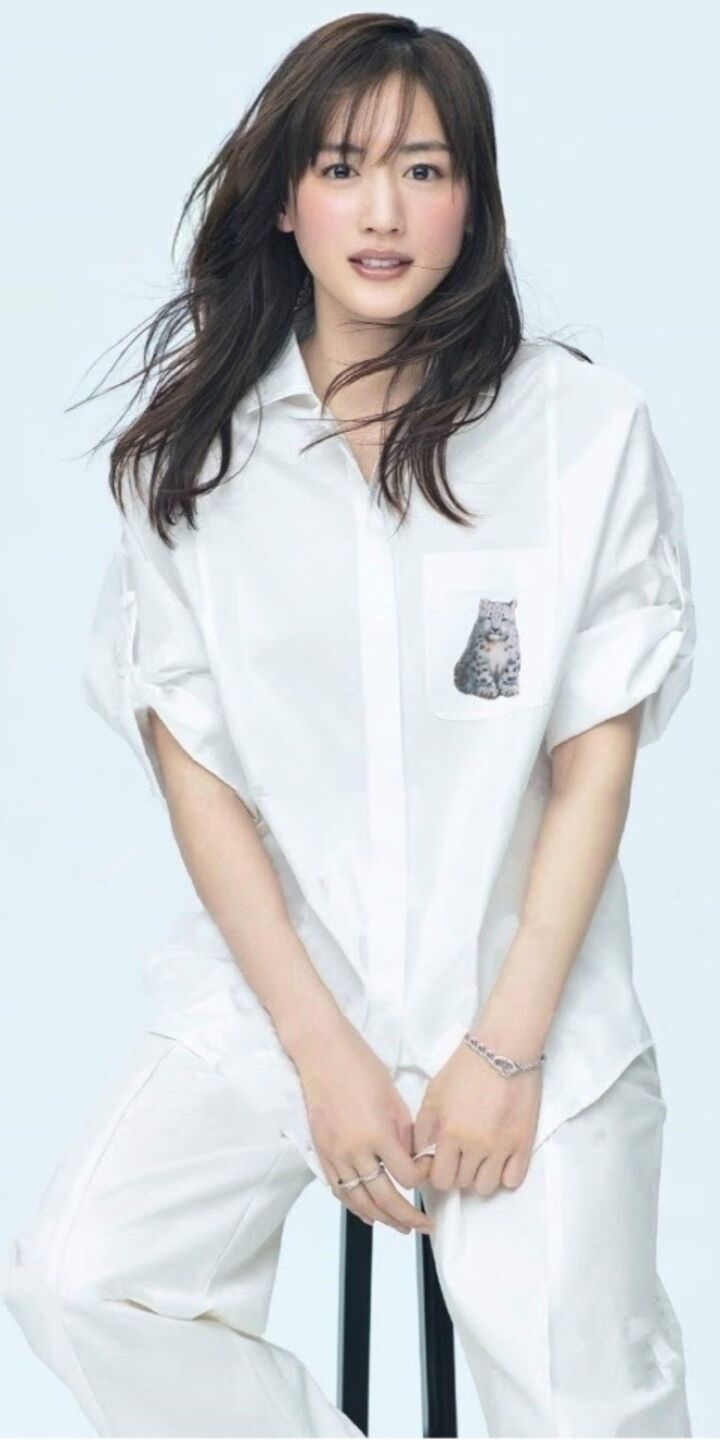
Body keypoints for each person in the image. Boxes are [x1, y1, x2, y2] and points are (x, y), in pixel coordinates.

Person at [2, 14, 696, 1437]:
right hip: (281, 990)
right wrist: (321, 1055)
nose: (383, 210)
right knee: (83, 1278)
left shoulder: (583, 432)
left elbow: (595, 759)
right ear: (285, 200)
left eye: (424, 170)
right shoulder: (191, 464)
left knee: (592, 1409)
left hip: (529, 999)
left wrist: (506, 1052)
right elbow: (196, 776)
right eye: (342, 167)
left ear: (474, 203)